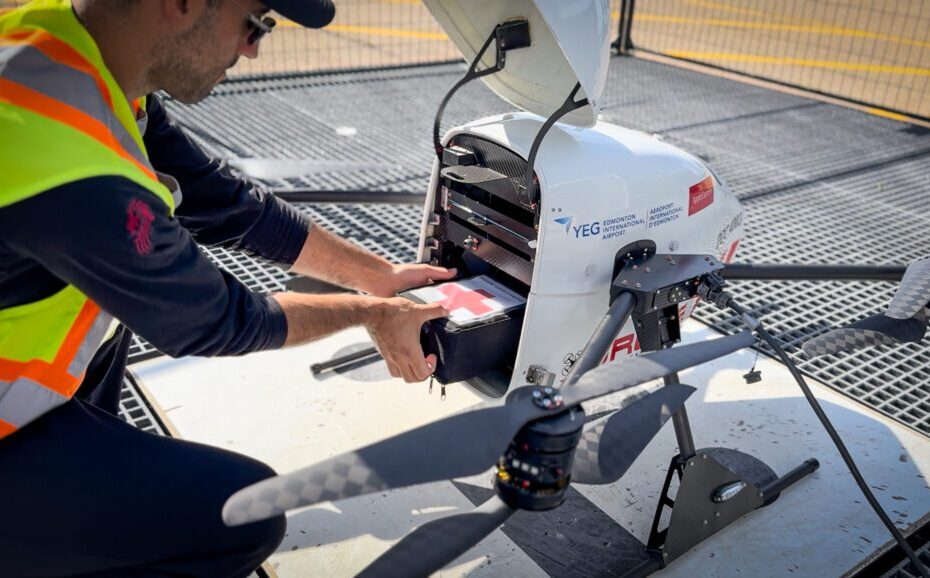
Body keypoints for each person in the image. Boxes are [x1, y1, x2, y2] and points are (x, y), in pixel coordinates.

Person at [0, 0, 455, 575]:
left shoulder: (69, 60)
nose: (253, 49)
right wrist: (370, 313)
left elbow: (224, 202)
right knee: (245, 516)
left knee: (105, 326)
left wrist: (377, 277)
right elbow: (217, 319)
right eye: (255, 22)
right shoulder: (67, 164)